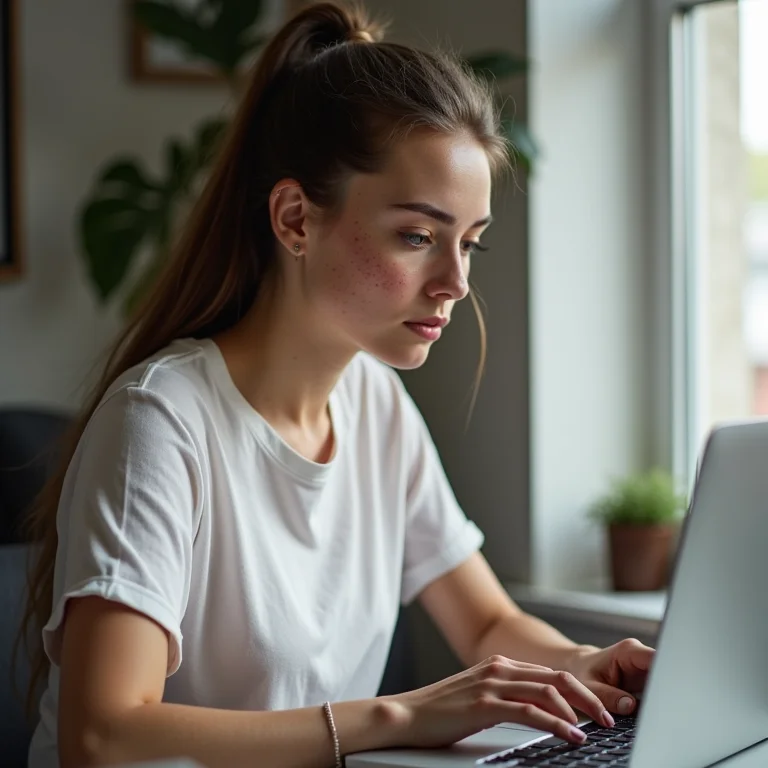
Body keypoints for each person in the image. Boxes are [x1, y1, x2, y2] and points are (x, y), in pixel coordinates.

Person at [22, 3, 654, 767]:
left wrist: (580, 666)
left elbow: (485, 623)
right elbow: (106, 733)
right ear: (295, 219)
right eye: (418, 237)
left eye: (470, 244)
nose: (454, 283)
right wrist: (397, 717)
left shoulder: (374, 403)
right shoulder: (161, 422)